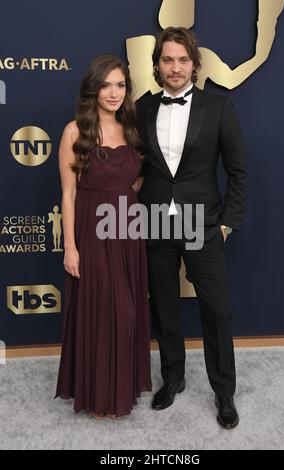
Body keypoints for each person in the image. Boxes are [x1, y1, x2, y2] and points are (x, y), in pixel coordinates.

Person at [136, 27, 247, 429]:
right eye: (168, 59)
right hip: (154, 225)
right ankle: (173, 378)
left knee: (216, 311)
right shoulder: (142, 108)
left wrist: (228, 225)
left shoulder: (218, 107)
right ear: (157, 65)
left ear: (194, 65)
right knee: (164, 306)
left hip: (204, 224)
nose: (176, 67)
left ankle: (224, 392)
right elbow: (138, 168)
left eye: (183, 60)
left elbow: (238, 171)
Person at [55, 55, 152, 418]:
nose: (114, 92)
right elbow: (67, 193)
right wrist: (71, 247)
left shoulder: (131, 129)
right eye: (107, 85)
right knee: (104, 312)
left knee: (127, 312)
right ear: (93, 88)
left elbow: (136, 177)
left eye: (121, 85)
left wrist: (126, 195)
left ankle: (120, 390)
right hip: (92, 233)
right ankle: (100, 397)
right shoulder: (73, 131)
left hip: (127, 230)